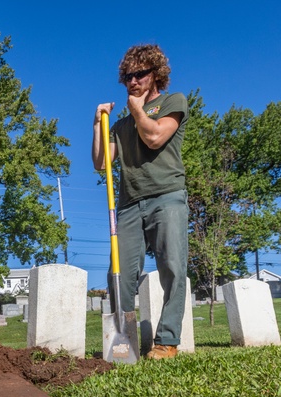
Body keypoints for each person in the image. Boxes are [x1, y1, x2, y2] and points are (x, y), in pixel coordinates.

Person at [91, 45, 189, 360]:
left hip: (167, 197)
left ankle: (166, 342)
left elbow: (155, 137)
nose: (133, 81)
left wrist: (136, 110)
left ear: (156, 74)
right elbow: (101, 162)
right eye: (128, 76)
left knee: (172, 267)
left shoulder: (173, 102)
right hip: (129, 204)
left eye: (140, 74)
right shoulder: (118, 127)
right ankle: (124, 342)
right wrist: (98, 125)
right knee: (118, 273)